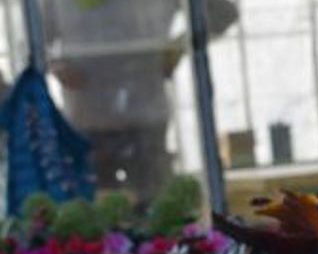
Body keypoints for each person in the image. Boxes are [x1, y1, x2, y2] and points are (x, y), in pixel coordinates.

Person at [41, 0, 237, 201]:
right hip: (88, 122)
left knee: (155, 207)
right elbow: (35, 39)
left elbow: (223, 13)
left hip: (145, 117)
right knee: (94, 213)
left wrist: (180, 45)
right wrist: (57, 66)